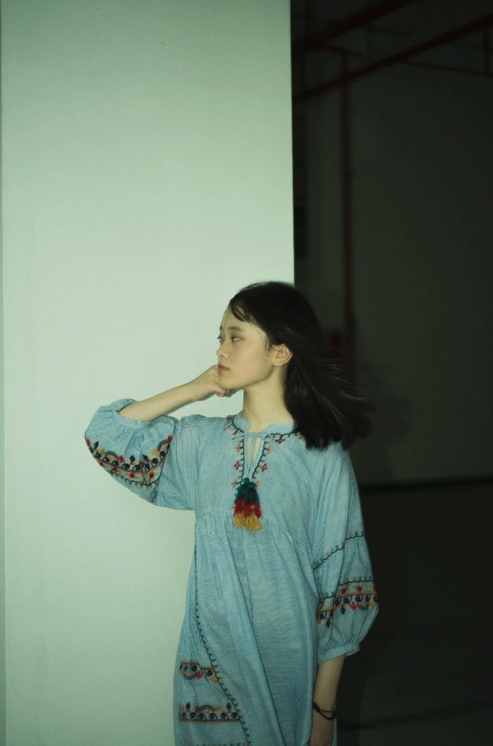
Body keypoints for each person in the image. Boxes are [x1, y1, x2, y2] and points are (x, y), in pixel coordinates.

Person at [84, 281, 378, 746]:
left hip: (287, 665)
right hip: (210, 660)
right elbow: (107, 434)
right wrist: (195, 389)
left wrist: (323, 710)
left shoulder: (322, 457)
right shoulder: (200, 442)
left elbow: (343, 588)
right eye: (220, 336)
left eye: (236, 337)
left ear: (280, 351)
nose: (221, 349)